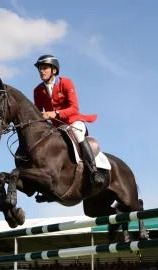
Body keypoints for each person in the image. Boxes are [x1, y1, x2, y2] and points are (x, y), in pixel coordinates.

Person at [33, 54, 105, 189]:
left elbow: (74, 108)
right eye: (40, 69)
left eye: (44, 68)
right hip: (55, 127)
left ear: (54, 70)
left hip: (73, 121)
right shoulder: (37, 90)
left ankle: (94, 171)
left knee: (77, 134)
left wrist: (55, 113)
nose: (41, 71)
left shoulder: (66, 83)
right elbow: (38, 113)